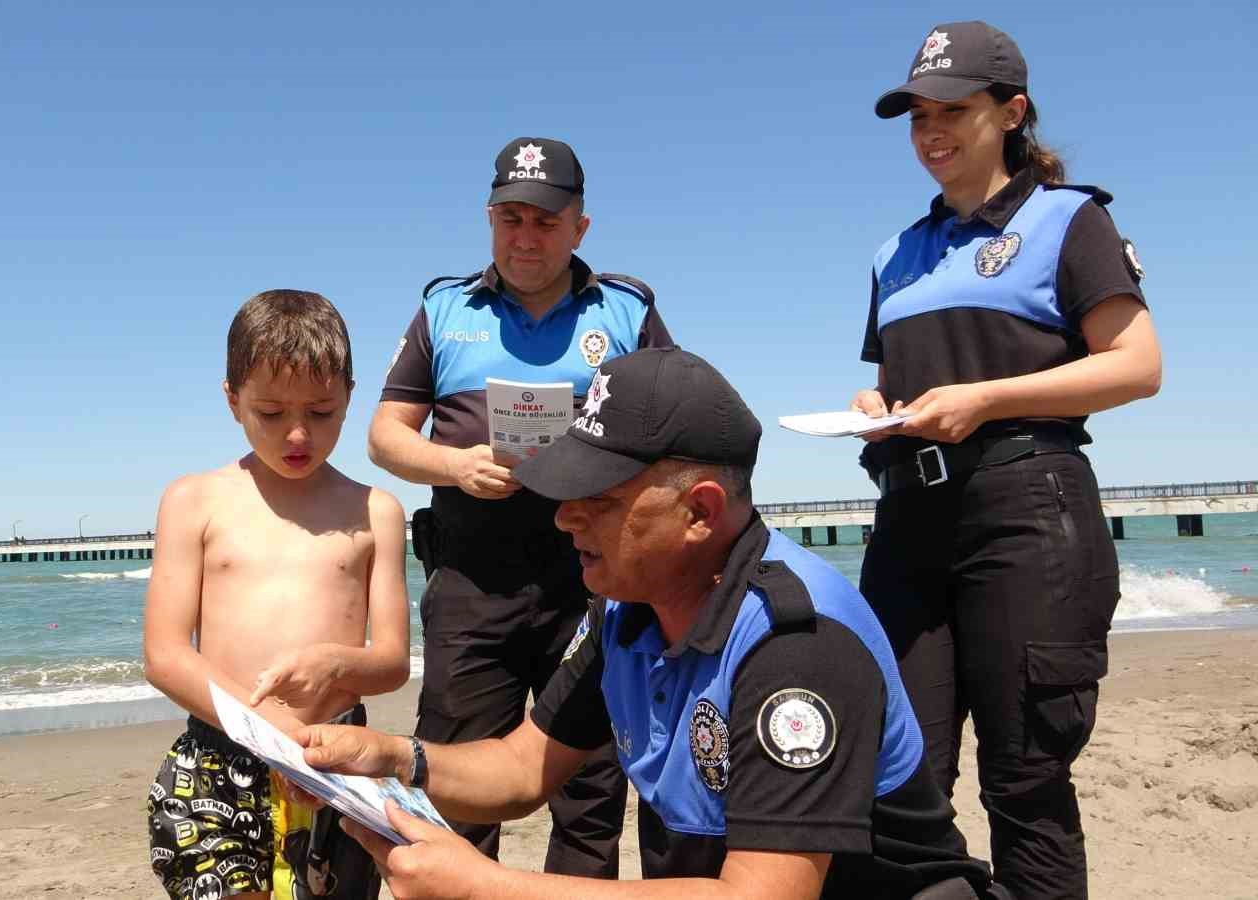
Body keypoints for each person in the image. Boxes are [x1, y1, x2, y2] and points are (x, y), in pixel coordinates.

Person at [301, 347, 1006, 900]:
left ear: (699, 512)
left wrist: (486, 886)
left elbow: (764, 896)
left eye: (598, 500)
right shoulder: (626, 609)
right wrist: (394, 759)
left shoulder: (796, 641)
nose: (564, 516)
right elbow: (520, 770)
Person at [853, 22, 1163, 899]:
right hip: (908, 524)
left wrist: (988, 398)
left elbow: (1137, 365)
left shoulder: (1070, 219)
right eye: (916, 116)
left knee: (1026, 781)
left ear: (1012, 111)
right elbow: (900, 386)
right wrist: (877, 410)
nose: (930, 132)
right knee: (898, 780)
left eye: (952, 110)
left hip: (1027, 507)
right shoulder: (894, 254)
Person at [370, 136, 672, 875]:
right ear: (489, 218)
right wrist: (453, 463)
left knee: (592, 789)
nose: (525, 236)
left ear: (580, 227)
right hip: (474, 582)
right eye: (510, 218)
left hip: (594, 582)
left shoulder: (626, 312)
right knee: (453, 786)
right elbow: (384, 435)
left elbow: (672, 431)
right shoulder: (444, 311)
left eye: (544, 220)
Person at [142, 289, 412, 900]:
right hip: (219, 759)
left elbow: (393, 661)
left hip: (336, 762)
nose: (297, 433)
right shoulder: (193, 501)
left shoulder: (378, 511)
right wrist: (269, 729)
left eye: (321, 412)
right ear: (232, 398)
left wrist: (339, 663)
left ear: (349, 393)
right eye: (270, 413)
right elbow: (165, 654)